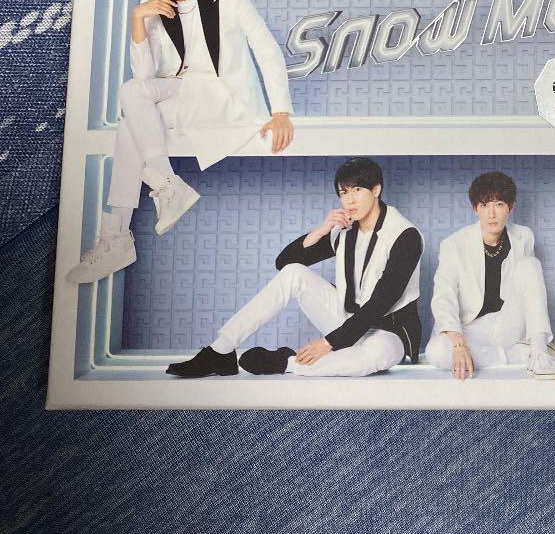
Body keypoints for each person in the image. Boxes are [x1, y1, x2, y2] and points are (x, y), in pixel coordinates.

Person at [67, 0, 294, 284]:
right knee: (131, 91)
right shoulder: (150, 5)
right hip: (179, 91)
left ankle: (118, 236)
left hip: (222, 97)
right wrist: (138, 20)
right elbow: (143, 76)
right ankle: (166, 186)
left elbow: (266, 48)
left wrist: (280, 112)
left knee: (128, 126)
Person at [166, 157, 422, 378]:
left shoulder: (404, 235)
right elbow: (284, 263)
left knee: (374, 356)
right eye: (343, 192)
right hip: (346, 319)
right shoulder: (344, 230)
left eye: (357, 190)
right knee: (294, 274)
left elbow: (380, 302)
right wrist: (322, 229)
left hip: (387, 331)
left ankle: (285, 362)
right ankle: (220, 351)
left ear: (376, 190)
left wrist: (328, 343)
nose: (349, 200)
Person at [425, 171, 555, 380]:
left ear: (510, 207)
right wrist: (459, 344)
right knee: (436, 352)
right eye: (484, 205)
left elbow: (530, 292)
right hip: (471, 328)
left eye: (498, 204)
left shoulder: (524, 236)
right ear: (475, 209)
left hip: (508, 323)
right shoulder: (454, 245)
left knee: (530, 265)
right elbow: (444, 297)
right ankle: (518, 354)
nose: (491, 214)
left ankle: (538, 354)